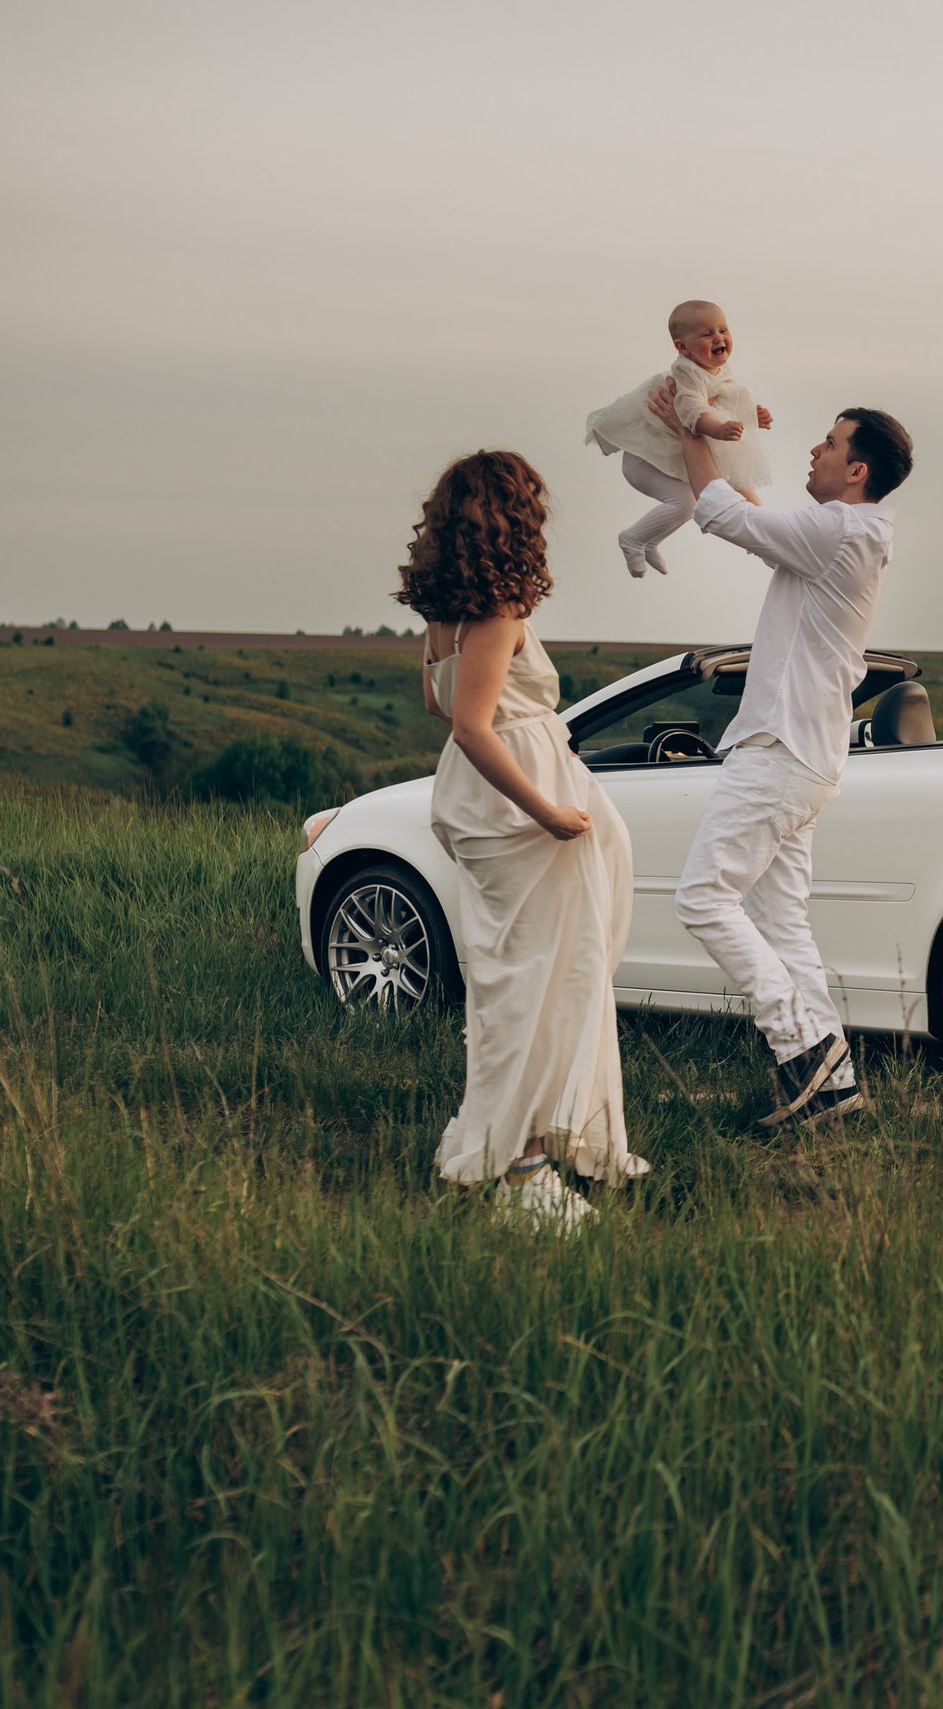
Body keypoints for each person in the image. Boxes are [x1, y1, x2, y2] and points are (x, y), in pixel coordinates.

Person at [647, 379, 912, 1128]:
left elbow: (723, 513)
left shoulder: (842, 533)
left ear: (856, 469)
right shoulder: (845, 535)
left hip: (780, 749)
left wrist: (689, 425)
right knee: (781, 922)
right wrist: (718, 437)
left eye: (829, 442)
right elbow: (753, 516)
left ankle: (803, 1049)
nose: (814, 449)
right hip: (806, 752)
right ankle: (835, 1088)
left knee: (702, 895)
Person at [395, 450, 638, 1231]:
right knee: (540, 989)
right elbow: (471, 727)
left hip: (482, 808)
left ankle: (501, 1143)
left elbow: (441, 708)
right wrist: (546, 808)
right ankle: (523, 1166)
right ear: (509, 519)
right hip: (515, 815)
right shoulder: (498, 611)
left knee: (516, 983)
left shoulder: (443, 613)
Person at [583, 300, 773, 578]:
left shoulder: (718, 371)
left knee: (731, 483)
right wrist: (718, 429)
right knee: (688, 503)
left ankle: (765, 542)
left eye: (723, 330)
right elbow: (691, 409)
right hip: (646, 459)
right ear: (683, 348)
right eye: (707, 334)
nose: (719, 338)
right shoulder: (687, 372)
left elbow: (725, 403)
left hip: (666, 457)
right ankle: (633, 539)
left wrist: (754, 417)